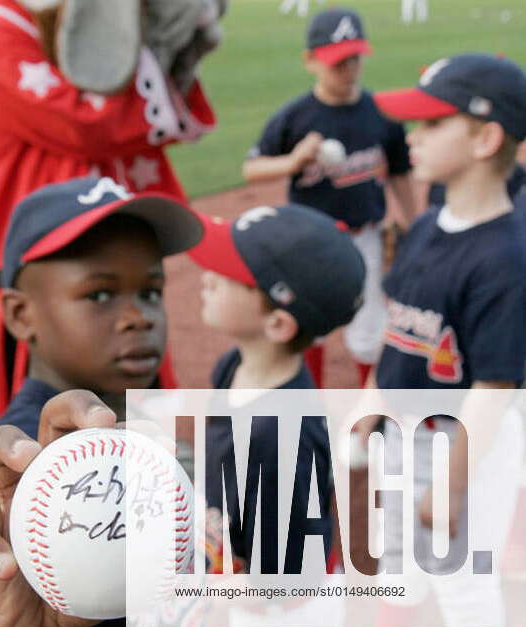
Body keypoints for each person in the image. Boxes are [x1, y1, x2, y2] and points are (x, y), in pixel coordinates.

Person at [0, 175, 204, 626]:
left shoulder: (119, 406)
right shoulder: (35, 443)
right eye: (99, 294)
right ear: (21, 314)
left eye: (150, 292)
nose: (138, 318)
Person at [0, 0, 217, 436]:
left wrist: (163, 55)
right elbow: (86, 125)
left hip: (109, 240)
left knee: (133, 398)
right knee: (35, 433)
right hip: (47, 256)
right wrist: (146, 60)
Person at [364, 53, 526, 627]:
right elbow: (398, 334)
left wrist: (451, 484)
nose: (414, 135)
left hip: (468, 449)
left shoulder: (506, 257)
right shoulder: (429, 227)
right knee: (395, 566)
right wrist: (364, 416)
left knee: (461, 583)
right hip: (404, 436)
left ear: (485, 138)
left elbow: (493, 386)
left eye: (434, 123)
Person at [242, 6, 417, 388]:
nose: (348, 69)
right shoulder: (295, 117)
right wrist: (293, 160)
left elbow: (401, 174)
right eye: (337, 61)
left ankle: (373, 420)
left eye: (354, 59)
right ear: (311, 61)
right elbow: (252, 169)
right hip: (309, 244)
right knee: (308, 327)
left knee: (369, 330)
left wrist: (414, 224)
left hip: (366, 236)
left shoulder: (381, 113)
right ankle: (309, 410)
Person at [188, 203, 366, 574]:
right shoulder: (233, 365)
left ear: (277, 324)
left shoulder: (277, 437)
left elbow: (282, 578)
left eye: (227, 274)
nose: (207, 276)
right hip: (233, 548)